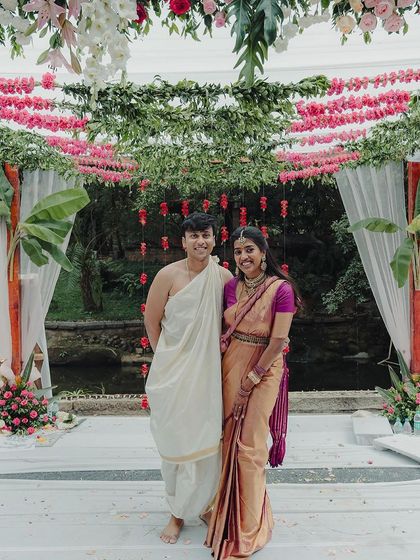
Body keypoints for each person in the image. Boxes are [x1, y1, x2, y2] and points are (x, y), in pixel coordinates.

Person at [205, 226, 299, 560]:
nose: (243, 257)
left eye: (250, 250)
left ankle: (249, 524)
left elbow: (278, 340)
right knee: (227, 436)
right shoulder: (232, 286)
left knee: (250, 444)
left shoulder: (282, 289)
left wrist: (253, 377)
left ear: (263, 252)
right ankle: (225, 510)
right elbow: (229, 328)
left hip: (264, 366)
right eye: (238, 251)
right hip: (232, 363)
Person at [144, 212, 232, 545]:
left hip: (208, 373)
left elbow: (231, 325)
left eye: (205, 235)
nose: (200, 241)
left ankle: (206, 506)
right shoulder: (167, 276)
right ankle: (177, 513)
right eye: (193, 236)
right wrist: (167, 360)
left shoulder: (223, 278)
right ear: (183, 242)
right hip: (172, 373)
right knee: (177, 439)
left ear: (214, 239)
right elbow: (152, 322)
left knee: (208, 440)